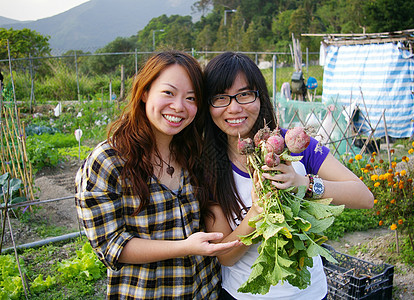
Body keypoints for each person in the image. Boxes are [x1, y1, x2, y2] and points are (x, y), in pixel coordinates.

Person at [200, 52, 374, 300]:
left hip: (309, 294)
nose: (234, 107)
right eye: (220, 98)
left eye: (245, 94)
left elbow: (364, 197)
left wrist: (303, 183)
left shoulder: (292, 143)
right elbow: (225, 257)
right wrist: (257, 213)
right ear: (208, 105)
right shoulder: (208, 167)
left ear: (260, 96)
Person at [75, 51, 240, 299]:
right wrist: (184, 247)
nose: (178, 106)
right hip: (145, 292)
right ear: (144, 92)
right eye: (168, 93)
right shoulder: (109, 161)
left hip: (204, 291)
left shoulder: (194, 153)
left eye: (191, 98)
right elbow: (111, 246)